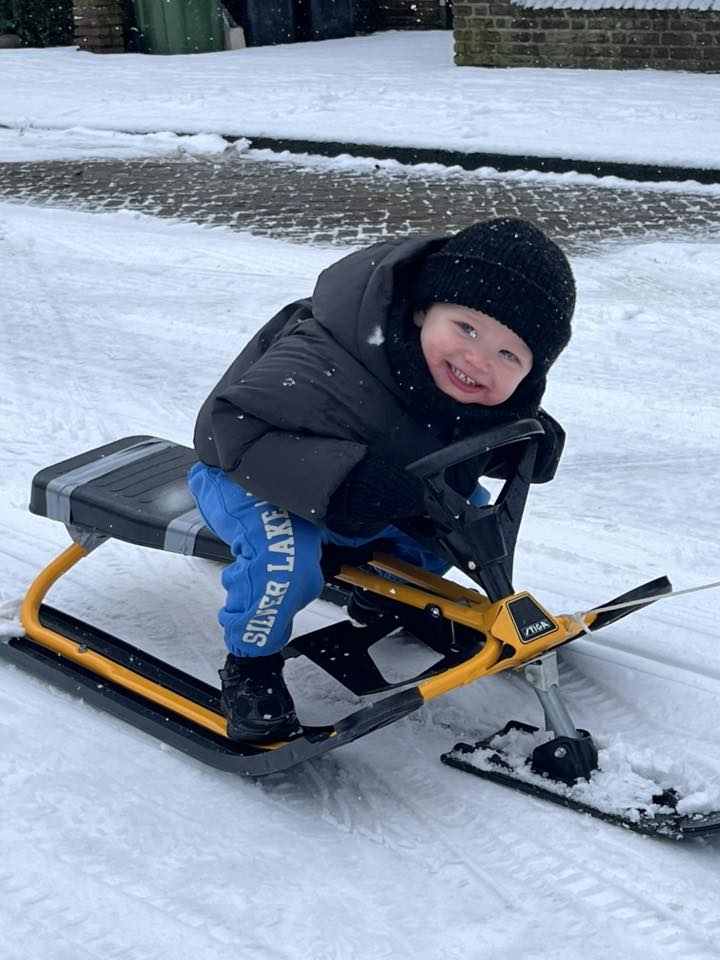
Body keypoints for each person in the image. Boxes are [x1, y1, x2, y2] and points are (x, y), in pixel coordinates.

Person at [190, 218, 576, 742]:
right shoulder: (325, 356)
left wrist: (518, 449)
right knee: (286, 557)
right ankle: (251, 665)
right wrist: (340, 481)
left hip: (360, 485)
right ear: (422, 309)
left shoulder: (462, 381)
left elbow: (462, 447)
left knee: (458, 510)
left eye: (509, 355)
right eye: (467, 328)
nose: (477, 360)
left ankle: (388, 596)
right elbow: (232, 429)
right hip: (248, 477)